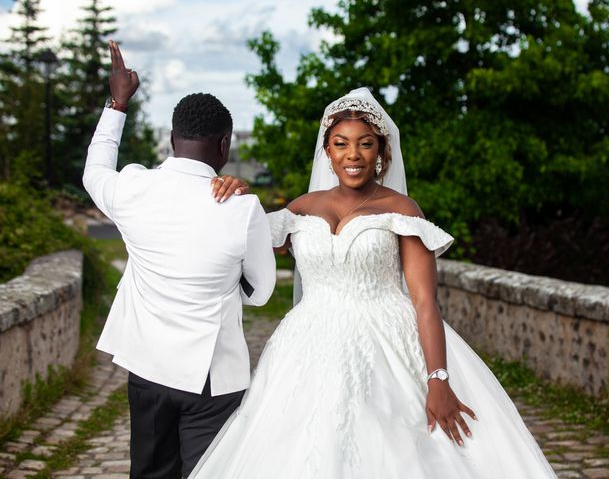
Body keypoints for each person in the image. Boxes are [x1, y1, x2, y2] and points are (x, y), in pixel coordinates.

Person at [189, 87, 557, 478]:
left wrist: (439, 380)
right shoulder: (301, 208)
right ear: (327, 152)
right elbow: (244, 235)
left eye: (365, 144)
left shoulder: (401, 210)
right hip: (306, 346)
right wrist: (239, 193)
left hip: (388, 343)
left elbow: (425, 302)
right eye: (341, 144)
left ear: (382, 153)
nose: (353, 154)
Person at [83, 41, 276, 478]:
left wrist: (117, 103)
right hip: (212, 379)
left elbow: (94, 171)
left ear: (172, 140)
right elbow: (262, 294)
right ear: (224, 144)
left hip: (147, 369)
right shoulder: (242, 209)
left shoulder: (133, 188)